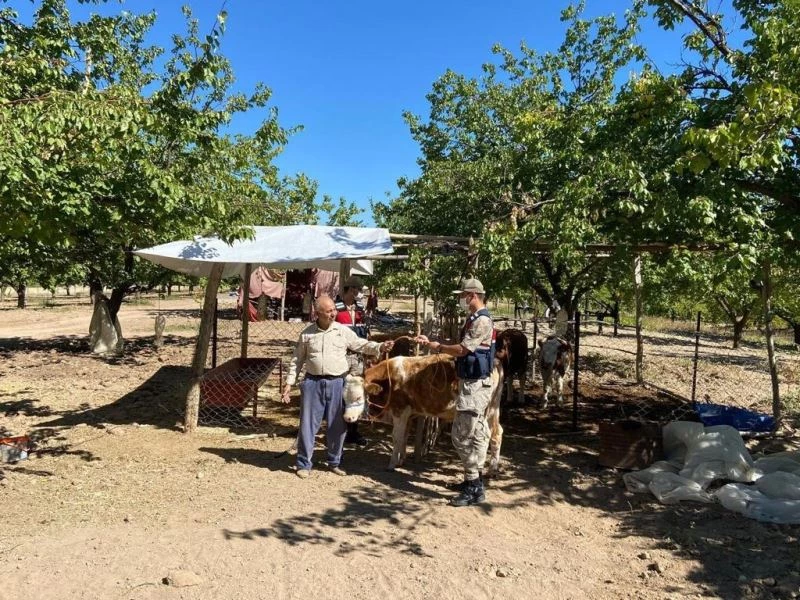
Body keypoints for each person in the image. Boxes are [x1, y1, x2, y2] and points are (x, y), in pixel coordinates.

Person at [281, 295, 393, 478]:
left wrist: (380, 347)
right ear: (318, 313)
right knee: (308, 425)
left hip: (337, 383)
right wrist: (289, 383)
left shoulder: (342, 331)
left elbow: (361, 344)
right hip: (312, 383)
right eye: (328, 311)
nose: (333, 313)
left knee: (337, 424)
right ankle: (303, 464)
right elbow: (297, 360)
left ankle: (334, 461)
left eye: (334, 309)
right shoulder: (307, 334)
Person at [416, 277, 496, 507]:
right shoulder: (475, 319)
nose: (461, 299)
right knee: (478, 434)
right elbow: (461, 343)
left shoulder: (481, 321)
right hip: (473, 383)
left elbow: (463, 349)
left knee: (461, 436)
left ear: (472, 295)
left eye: (462, 295)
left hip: (475, 386)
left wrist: (439, 348)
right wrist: (435, 342)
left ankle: (473, 485)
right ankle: (474, 481)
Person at [334, 276, 370, 446]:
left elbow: (365, 332)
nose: (358, 292)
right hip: (341, 356)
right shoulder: (335, 308)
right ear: (350, 289)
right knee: (340, 393)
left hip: (358, 357)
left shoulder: (360, 309)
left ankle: (353, 432)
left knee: (355, 394)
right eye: (356, 289)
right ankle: (337, 430)